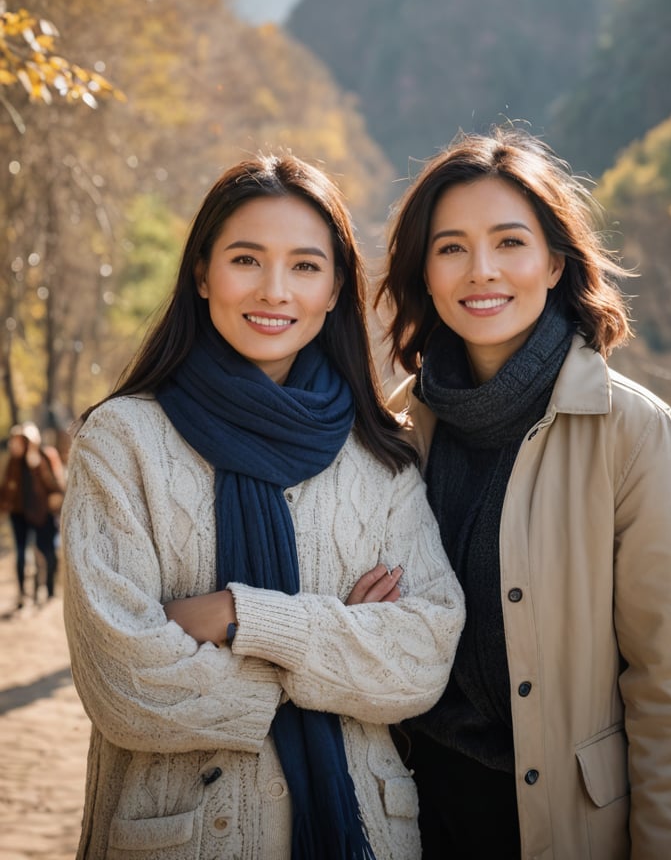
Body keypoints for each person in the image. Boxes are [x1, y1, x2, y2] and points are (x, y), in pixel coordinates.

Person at [60, 153, 464, 860]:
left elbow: (424, 661)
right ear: (202, 272)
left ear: (337, 287)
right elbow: (124, 685)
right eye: (247, 259)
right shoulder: (124, 441)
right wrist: (337, 652)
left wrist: (238, 617)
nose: (275, 291)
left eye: (306, 266)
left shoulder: (379, 456)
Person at [375, 125, 671, 859]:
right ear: (425, 273)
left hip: (565, 822)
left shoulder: (630, 430)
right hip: (406, 810)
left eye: (509, 243)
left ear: (555, 262)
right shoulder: (394, 427)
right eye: (451, 248)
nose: (481, 272)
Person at [0, 421, 66, 607]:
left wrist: (36, 464)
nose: (15, 445)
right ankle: (23, 594)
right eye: (14, 441)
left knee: (46, 552)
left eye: (20, 441)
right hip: (18, 515)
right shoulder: (13, 462)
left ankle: (49, 591)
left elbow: (56, 486)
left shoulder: (46, 456)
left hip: (42, 514)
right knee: (21, 553)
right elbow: (6, 488)